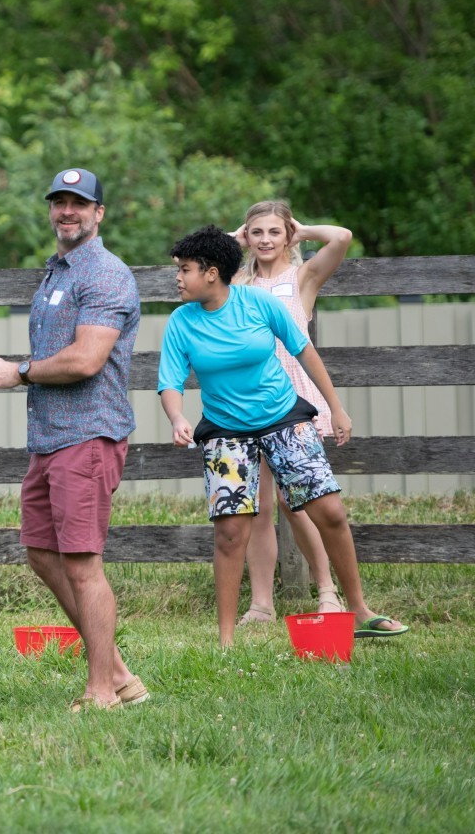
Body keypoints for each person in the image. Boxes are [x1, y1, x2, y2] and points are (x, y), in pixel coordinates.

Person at [156, 225, 407, 647]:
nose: (177, 278)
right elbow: (170, 381)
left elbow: (304, 350)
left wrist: (335, 407)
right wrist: (177, 417)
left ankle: (360, 611)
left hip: (282, 417)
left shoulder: (258, 303)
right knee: (231, 532)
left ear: (212, 273)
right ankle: (226, 640)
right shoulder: (182, 322)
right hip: (225, 429)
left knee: (330, 511)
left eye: (185, 270)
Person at [0, 168, 149, 712]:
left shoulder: (106, 274)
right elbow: (52, 355)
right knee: (41, 553)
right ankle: (119, 673)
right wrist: (3, 370)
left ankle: (101, 692)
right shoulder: (57, 272)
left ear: (99, 213)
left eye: (79, 203)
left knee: (81, 562)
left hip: (87, 436)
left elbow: (87, 359)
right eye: (59, 202)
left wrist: (17, 372)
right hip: (48, 437)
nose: (67, 211)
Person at [230, 202, 352, 624]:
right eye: (256, 232)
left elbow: (341, 237)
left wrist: (302, 230)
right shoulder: (236, 281)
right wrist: (233, 239)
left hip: (293, 397)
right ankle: (261, 604)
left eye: (274, 232)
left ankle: (327, 591)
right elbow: (189, 261)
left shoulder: (301, 278)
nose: (265, 240)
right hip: (247, 400)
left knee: (296, 499)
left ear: (287, 237)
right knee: (257, 505)